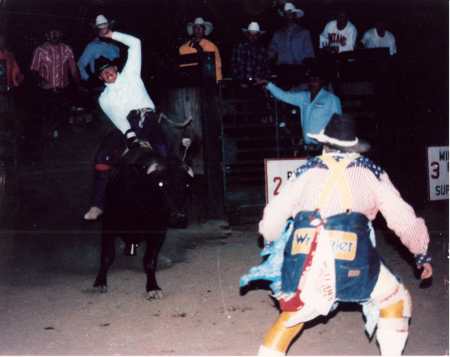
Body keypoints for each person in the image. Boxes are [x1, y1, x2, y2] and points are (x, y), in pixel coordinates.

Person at [241, 113, 432, 356]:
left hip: (306, 255)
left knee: (292, 317)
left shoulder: (305, 171)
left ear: (324, 144)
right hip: (353, 256)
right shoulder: (371, 172)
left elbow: (271, 222)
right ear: (353, 146)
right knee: (395, 300)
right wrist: (421, 253)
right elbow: (401, 217)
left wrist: (272, 240)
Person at [83, 29, 167, 221]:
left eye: (110, 69)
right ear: (100, 78)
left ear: (116, 68)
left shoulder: (131, 74)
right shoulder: (104, 98)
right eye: (103, 73)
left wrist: (111, 35)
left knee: (166, 156)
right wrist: (130, 136)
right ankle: (98, 204)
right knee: (101, 157)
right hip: (126, 126)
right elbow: (118, 117)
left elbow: (136, 43)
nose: (108, 73)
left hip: (149, 120)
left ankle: (169, 204)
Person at [257, 64, 342, 156]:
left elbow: (339, 124)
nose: (312, 82)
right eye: (310, 79)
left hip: (325, 147)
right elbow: (284, 96)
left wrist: (334, 147)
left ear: (322, 81)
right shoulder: (303, 97)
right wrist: (269, 85)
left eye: (316, 79)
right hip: (307, 148)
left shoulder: (332, 99)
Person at [30, 28, 80, 138]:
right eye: (51, 33)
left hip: (63, 88)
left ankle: (60, 138)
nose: (54, 35)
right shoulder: (40, 50)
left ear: (61, 34)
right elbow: (34, 70)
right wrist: (41, 81)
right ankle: (48, 137)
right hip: (46, 90)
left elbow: (73, 69)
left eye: (57, 33)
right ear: (47, 35)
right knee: (48, 115)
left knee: (62, 115)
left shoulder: (67, 49)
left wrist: (79, 85)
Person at [77, 14, 120, 83]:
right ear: (97, 30)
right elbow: (80, 64)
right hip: (102, 83)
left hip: (118, 80)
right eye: (101, 28)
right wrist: (89, 79)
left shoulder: (115, 45)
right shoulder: (92, 46)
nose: (104, 30)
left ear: (109, 27)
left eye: (105, 27)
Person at [179, 17, 222, 81]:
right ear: (193, 30)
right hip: (190, 84)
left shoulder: (212, 47)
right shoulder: (183, 48)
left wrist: (218, 83)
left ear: (204, 30)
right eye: (196, 27)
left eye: (201, 27)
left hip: (208, 84)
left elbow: (217, 68)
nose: (198, 29)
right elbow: (181, 71)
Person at [0, 33, 24, 113]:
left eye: (2, 40)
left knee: (9, 113)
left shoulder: (9, 55)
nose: (1, 41)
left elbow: (15, 70)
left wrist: (17, 78)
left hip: (7, 90)